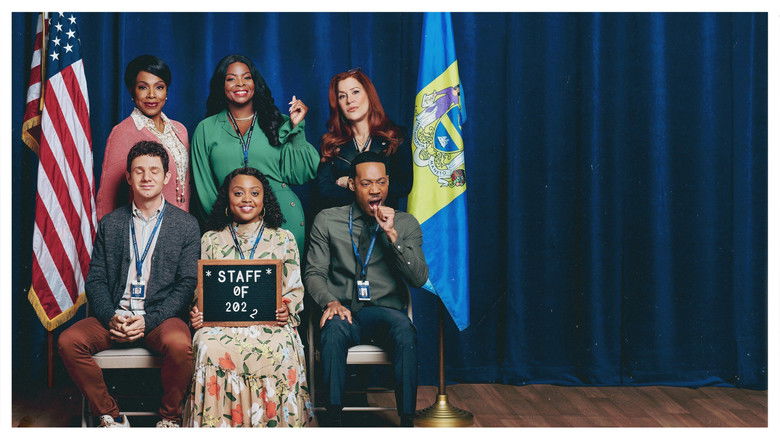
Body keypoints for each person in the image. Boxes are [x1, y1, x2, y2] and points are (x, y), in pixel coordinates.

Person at [58, 141, 200, 428]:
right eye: (139, 171)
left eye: (154, 171)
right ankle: (109, 415)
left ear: (167, 177)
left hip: (159, 317)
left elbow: (186, 285)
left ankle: (169, 418)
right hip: (115, 315)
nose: (146, 178)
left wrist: (147, 322)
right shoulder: (111, 224)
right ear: (128, 177)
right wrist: (112, 316)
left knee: (180, 344)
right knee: (68, 341)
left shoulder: (186, 225)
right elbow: (96, 279)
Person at [304, 151, 429, 427]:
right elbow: (314, 273)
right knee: (334, 329)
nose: (375, 190)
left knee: (404, 329)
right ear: (351, 185)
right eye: (366, 183)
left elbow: (419, 278)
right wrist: (329, 302)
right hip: (344, 310)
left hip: (384, 311)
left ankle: (407, 421)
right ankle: (333, 421)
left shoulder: (405, 223)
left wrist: (392, 235)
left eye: (381, 182)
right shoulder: (327, 220)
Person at [184, 167, 314, 428]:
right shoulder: (211, 240)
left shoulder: (282, 238)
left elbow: (294, 288)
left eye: (254, 193)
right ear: (226, 199)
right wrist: (197, 310)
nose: (247, 199)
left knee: (282, 349)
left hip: (270, 323)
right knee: (208, 346)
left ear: (265, 198)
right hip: (221, 325)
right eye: (238, 193)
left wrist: (286, 308)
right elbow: (202, 289)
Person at [191, 54, 319, 254]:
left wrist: (297, 129)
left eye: (247, 77)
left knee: (283, 285)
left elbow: (302, 173)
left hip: (283, 221)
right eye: (231, 78)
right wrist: (223, 227)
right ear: (221, 85)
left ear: (255, 82)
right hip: (228, 228)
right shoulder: (206, 129)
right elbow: (204, 189)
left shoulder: (278, 122)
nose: (240, 83)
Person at [96, 55, 191, 219]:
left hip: (180, 225)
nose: (152, 95)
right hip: (142, 227)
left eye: (159, 87)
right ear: (132, 91)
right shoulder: (122, 132)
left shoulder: (180, 130)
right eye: (143, 87)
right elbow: (107, 197)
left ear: (167, 91)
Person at [315, 69, 412, 213]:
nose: (349, 100)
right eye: (342, 96)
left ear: (369, 95)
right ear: (338, 104)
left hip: (385, 224)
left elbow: (403, 186)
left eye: (355, 92)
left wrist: (350, 183)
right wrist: (374, 185)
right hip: (343, 226)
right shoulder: (331, 143)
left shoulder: (395, 136)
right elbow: (323, 190)